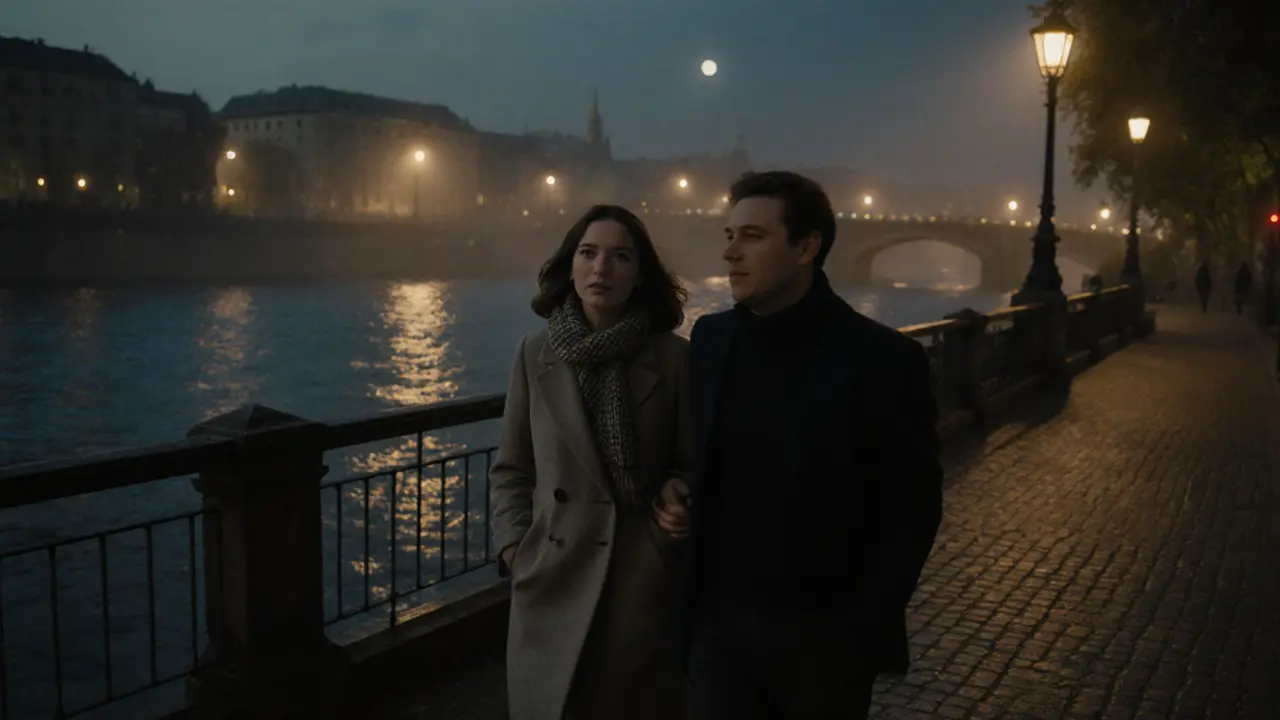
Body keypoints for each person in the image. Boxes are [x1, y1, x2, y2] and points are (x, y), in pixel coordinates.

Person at [656, 171, 944, 719]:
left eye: (752, 237)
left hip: (822, 641)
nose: (729, 253)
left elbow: (913, 510)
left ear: (807, 247)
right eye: (728, 234)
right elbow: (701, 456)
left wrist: (858, 633)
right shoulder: (712, 340)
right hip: (719, 628)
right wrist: (678, 486)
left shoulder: (882, 360)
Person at [489, 204, 693, 720]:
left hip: (638, 577)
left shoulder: (674, 358)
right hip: (551, 575)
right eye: (588, 253)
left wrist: (677, 493)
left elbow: (694, 459)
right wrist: (517, 549)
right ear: (570, 266)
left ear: (640, 273)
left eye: (620, 256)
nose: (601, 269)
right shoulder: (533, 354)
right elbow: (512, 469)